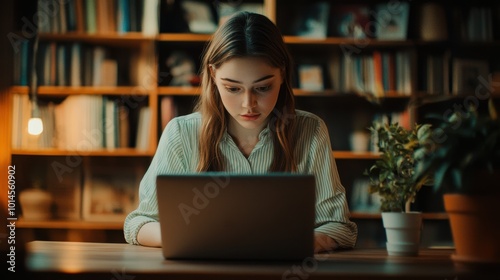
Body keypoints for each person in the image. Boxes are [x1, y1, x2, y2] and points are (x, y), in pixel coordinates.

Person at [124, 11, 357, 253]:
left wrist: (285, 244)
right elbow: (138, 223)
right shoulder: (181, 133)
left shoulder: (310, 131)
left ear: (283, 74)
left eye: (263, 87)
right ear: (213, 75)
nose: (248, 104)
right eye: (233, 88)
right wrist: (190, 237)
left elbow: (339, 227)